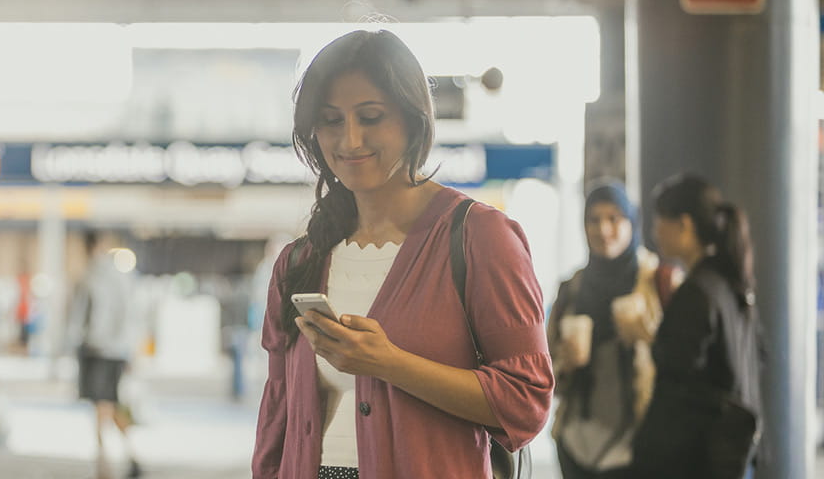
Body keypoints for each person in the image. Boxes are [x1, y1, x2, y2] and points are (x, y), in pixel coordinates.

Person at [251, 29, 553, 479]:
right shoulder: (299, 261)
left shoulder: (481, 236)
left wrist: (388, 363)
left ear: (414, 121)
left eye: (371, 116)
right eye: (331, 120)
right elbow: (277, 416)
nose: (350, 140)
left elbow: (525, 402)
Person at [626, 174, 762, 478]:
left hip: (698, 456)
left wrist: (647, 337)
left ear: (684, 225)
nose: (655, 231)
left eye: (661, 220)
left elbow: (678, 376)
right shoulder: (729, 283)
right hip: (732, 451)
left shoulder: (696, 291)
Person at [548, 182, 677, 478]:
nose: (603, 230)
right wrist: (565, 362)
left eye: (614, 219)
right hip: (577, 442)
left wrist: (645, 340)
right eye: (593, 220)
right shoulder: (572, 288)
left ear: (632, 222)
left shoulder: (659, 283)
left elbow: (684, 364)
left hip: (639, 444)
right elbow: (544, 371)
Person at [68, 231, 145, 479]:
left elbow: (76, 320)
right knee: (111, 406)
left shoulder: (89, 277)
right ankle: (130, 456)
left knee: (101, 407)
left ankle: (104, 465)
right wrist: (131, 352)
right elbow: (133, 315)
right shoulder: (123, 277)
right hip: (118, 352)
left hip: (96, 351)